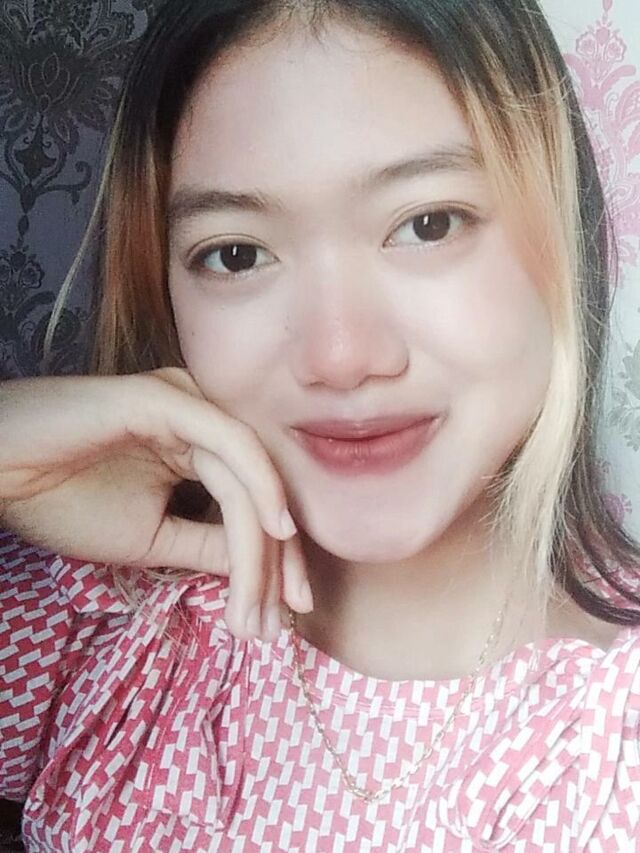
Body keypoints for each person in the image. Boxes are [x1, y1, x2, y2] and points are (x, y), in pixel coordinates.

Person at [1, 0, 640, 849]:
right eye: (236, 254)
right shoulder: (94, 623)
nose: (339, 356)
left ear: (564, 229)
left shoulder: (613, 745)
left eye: (427, 224)